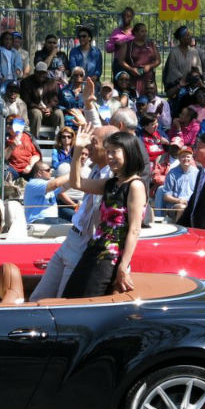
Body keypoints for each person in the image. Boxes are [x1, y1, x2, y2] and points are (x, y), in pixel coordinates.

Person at [27, 124, 118, 300]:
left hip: (84, 244)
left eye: (93, 142)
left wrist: (77, 151)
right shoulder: (95, 170)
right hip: (71, 238)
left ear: (109, 148)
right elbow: (72, 182)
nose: (88, 146)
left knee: (63, 302)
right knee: (37, 298)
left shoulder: (112, 178)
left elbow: (75, 182)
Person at [60, 127, 147, 298]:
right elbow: (76, 183)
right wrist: (77, 151)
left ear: (129, 152)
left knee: (88, 301)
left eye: (115, 151)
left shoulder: (135, 185)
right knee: (71, 296)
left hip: (110, 257)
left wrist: (123, 266)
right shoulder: (110, 183)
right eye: (108, 152)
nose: (109, 156)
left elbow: (134, 230)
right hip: (93, 249)